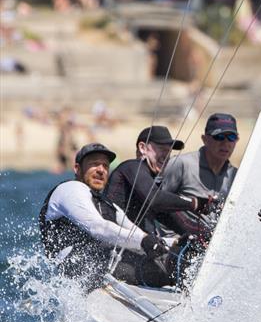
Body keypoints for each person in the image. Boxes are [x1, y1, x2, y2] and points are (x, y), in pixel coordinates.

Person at [39, 143, 176, 290]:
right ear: (77, 169)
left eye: (105, 166)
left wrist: (172, 242)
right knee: (163, 267)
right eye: (94, 164)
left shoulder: (107, 205)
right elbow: (98, 228)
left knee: (170, 260)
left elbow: (137, 234)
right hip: (77, 275)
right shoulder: (70, 189)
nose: (101, 170)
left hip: (103, 267)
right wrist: (144, 241)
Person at [105, 126, 214, 239]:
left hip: (135, 250)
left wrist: (207, 234)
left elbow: (182, 224)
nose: (166, 156)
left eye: (169, 151)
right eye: (162, 149)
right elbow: (155, 198)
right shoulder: (132, 167)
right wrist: (196, 203)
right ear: (143, 148)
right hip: (112, 247)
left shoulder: (149, 187)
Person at [160, 113, 238, 209]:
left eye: (232, 137)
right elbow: (159, 202)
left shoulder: (236, 176)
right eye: (219, 137)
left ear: (237, 140)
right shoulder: (181, 164)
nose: (226, 143)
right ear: (204, 139)